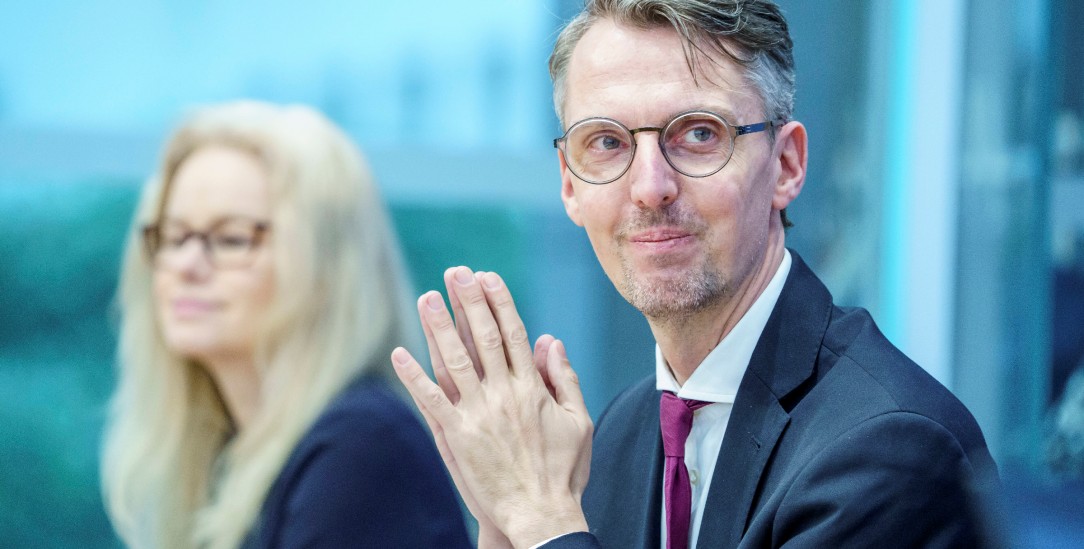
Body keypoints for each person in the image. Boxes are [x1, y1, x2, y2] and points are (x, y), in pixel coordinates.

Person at [392, 1, 999, 548]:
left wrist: (541, 519)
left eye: (699, 134)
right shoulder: (621, 436)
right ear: (569, 184)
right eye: (606, 142)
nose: (651, 187)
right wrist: (503, 525)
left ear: (786, 166)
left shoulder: (890, 452)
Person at [101, 101, 471, 549]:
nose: (186, 264)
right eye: (174, 236)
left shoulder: (360, 448)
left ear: (328, 267)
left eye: (232, 238)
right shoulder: (228, 456)